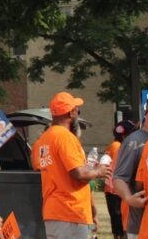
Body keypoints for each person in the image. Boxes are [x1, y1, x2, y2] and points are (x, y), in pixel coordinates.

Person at [32, 92, 111, 239]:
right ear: (71, 113)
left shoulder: (42, 140)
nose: (77, 114)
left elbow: (41, 167)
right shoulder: (65, 137)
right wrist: (98, 171)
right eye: (77, 111)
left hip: (52, 212)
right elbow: (79, 174)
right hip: (70, 210)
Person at [116, 98, 148, 239]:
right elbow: (119, 178)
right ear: (147, 114)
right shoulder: (135, 141)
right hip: (139, 224)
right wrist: (129, 198)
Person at [104, 120, 135, 239]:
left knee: (116, 221)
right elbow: (120, 168)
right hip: (116, 190)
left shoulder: (113, 145)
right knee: (120, 222)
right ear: (124, 134)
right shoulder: (118, 146)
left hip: (111, 189)